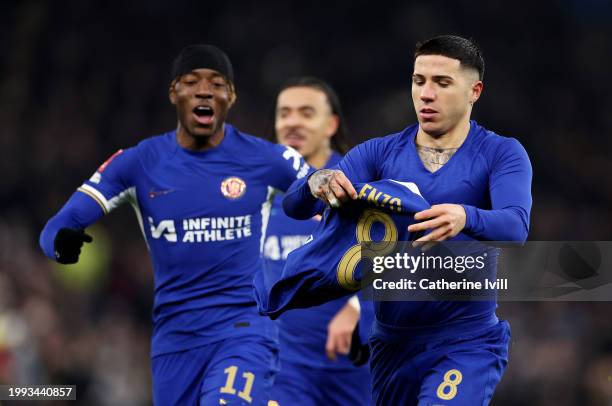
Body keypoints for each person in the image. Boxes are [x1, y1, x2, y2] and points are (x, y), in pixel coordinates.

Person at [39, 44, 310, 405]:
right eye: (191, 81)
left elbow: (328, 192)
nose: (203, 90)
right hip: (175, 343)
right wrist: (61, 241)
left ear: (230, 95)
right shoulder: (138, 162)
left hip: (242, 330)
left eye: (216, 83)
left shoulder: (267, 159)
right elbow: (60, 224)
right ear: (174, 93)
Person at [282, 35, 533, 405]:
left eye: (442, 83)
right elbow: (295, 206)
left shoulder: (501, 153)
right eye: (419, 81)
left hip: (465, 341)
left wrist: (466, 216)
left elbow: (516, 226)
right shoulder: (377, 153)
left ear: (474, 91)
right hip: (392, 343)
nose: (426, 94)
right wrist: (315, 182)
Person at [263, 77, 372, 405]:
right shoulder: (260, 190)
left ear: (331, 124)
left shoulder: (361, 182)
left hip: (355, 365)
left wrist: (356, 307)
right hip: (285, 368)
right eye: (284, 113)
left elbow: (409, 255)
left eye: (306, 113)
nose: (293, 122)